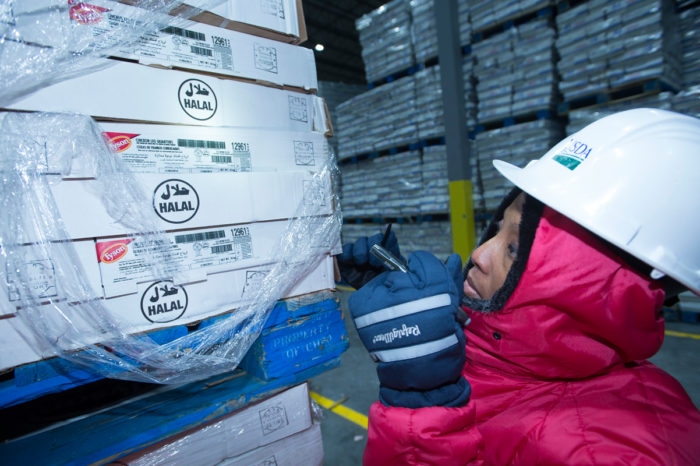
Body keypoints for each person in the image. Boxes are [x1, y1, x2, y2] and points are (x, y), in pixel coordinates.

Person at [339, 108, 700, 465]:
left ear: (601, 289)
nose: (478, 254)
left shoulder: (613, 454)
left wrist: (424, 404)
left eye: (515, 248)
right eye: (496, 230)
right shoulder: (514, 367)